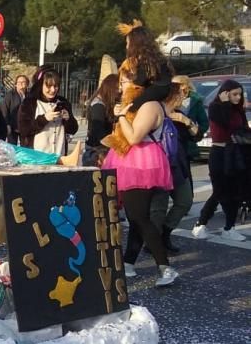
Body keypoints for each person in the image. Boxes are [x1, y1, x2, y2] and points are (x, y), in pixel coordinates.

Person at [102, 66, 177, 286]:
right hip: (134, 162)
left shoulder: (149, 106)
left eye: (124, 83)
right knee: (137, 217)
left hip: (141, 164)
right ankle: (129, 263)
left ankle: (165, 267)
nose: (121, 87)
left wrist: (122, 115)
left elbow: (134, 137)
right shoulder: (142, 104)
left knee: (140, 218)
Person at [191, 80, 249, 242]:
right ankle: (201, 223)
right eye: (234, 94)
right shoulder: (216, 107)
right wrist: (224, 103)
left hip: (236, 153)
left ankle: (229, 227)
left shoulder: (239, 111)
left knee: (235, 192)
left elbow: (243, 130)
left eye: (240, 94)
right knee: (219, 191)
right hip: (219, 152)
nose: (238, 97)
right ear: (225, 93)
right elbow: (223, 122)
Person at [149, 78, 200, 254]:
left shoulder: (179, 114)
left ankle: (166, 231)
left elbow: (196, 135)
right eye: (181, 93)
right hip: (160, 165)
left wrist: (186, 121)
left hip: (179, 165)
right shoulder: (156, 112)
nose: (184, 97)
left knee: (185, 201)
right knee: (158, 208)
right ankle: (154, 242)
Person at [18, 68, 79, 155]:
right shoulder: (29, 103)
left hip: (59, 156)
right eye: (49, 86)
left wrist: (68, 119)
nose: (53, 90)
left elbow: (73, 129)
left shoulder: (63, 103)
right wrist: (44, 118)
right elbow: (24, 129)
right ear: (40, 85)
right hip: (36, 158)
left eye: (56, 86)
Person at [177, 76, 209, 162]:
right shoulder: (169, 100)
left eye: (175, 85)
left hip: (188, 145)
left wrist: (195, 133)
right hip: (173, 144)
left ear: (184, 86)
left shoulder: (195, 101)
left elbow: (204, 123)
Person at [86, 74, 120, 149]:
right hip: (96, 150)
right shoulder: (98, 106)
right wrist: (116, 146)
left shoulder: (104, 103)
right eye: (117, 89)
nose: (119, 91)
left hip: (100, 147)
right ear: (110, 88)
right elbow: (99, 132)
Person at [1, 74, 29, 144]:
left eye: (23, 82)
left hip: (25, 127)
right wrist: (7, 124)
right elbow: (5, 110)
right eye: (19, 82)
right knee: (12, 147)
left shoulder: (29, 95)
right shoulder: (10, 95)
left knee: (25, 147)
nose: (21, 84)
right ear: (16, 84)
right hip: (12, 126)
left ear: (27, 84)